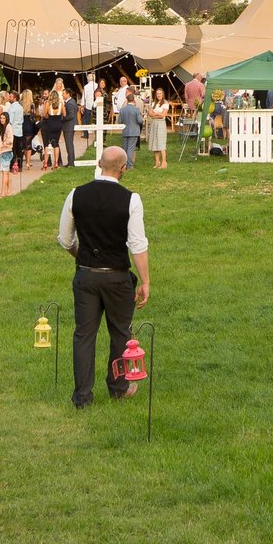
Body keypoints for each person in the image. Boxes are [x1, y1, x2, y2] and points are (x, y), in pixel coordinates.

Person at [56, 146, 151, 407]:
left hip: (86, 274)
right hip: (117, 276)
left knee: (84, 335)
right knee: (120, 331)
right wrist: (145, 281)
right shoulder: (131, 199)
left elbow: (65, 239)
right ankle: (119, 387)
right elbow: (137, 245)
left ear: (99, 163)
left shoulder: (76, 194)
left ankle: (82, 397)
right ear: (123, 169)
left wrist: (82, 255)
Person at [119, 90, 144, 170]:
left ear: (127, 100)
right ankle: (129, 165)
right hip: (134, 131)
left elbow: (119, 121)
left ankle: (123, 164)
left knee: (125, 148)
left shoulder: (122, 110)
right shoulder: (136, 109)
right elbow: (140, 121)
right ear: (133, 100)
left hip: (125, 131)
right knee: (130, 149)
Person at [148, 94, 170, 170]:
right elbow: (150, 114)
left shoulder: (165, 103)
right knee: (155, 142)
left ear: (163, 94)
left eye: (160, 94)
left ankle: (164, 162)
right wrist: (157, 114)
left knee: (161, 142)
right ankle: (157, 162)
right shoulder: (153, 103)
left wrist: (156, 114)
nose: (158, 95)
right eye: (157, 94)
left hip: (161, 124)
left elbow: (163, 115)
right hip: (154, 123)